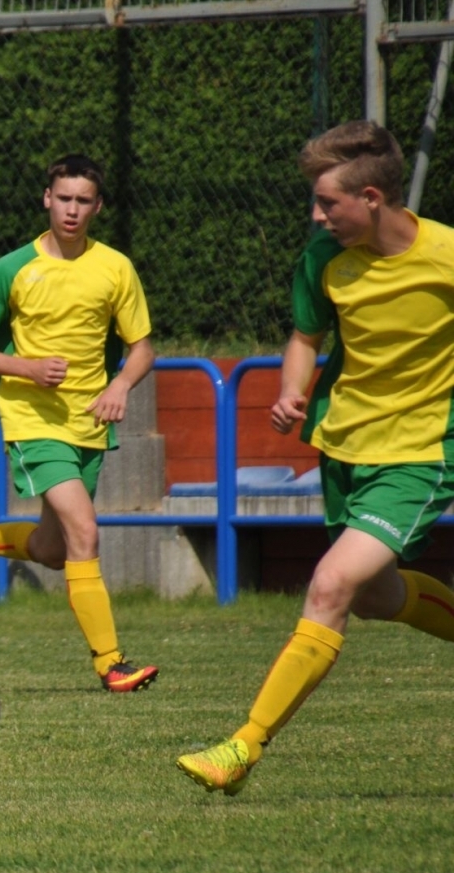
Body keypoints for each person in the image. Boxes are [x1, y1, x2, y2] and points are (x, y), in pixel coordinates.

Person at [178, 121, 454, 795]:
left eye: (326, 201)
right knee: (371, 598)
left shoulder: (446, 256)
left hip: (419, 456)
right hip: (344, 451)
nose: (315, 213)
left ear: (370, 196)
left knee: (330, 586)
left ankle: (242, 747)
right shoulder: (322, 260)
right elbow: (304, 337)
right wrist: (292, 389)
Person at [0, 155, 160, 693]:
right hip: (32, 420)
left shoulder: (115, 268)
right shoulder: (14, 268)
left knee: (54, 550)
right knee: (86, 532)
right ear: (46, 198)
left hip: (89, 422)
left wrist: (119, 386)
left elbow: (142, 350)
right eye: (64, 198)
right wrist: (25, 368)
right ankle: (111, 663)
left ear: (98, 207)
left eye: (83, 201)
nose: (72, 210)